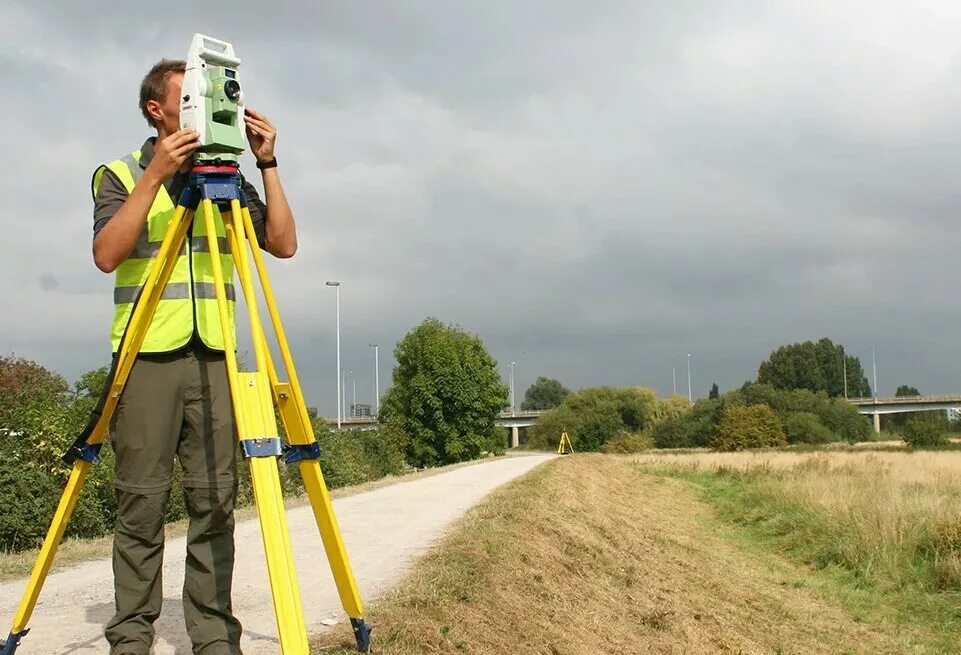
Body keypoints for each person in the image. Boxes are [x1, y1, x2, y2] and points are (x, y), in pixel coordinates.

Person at [91, 58, 297, 655]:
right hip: (146, 356)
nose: (201, 108)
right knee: (140, 503)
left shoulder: (226, 177)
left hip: (215, 357)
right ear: (156, 109)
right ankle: (132, 635)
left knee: (215, 502)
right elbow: (107, 254)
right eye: (187, 98)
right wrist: (156, 177)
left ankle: (212, 635)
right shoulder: (121, 173)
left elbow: (282, 243)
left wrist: (268, 164)